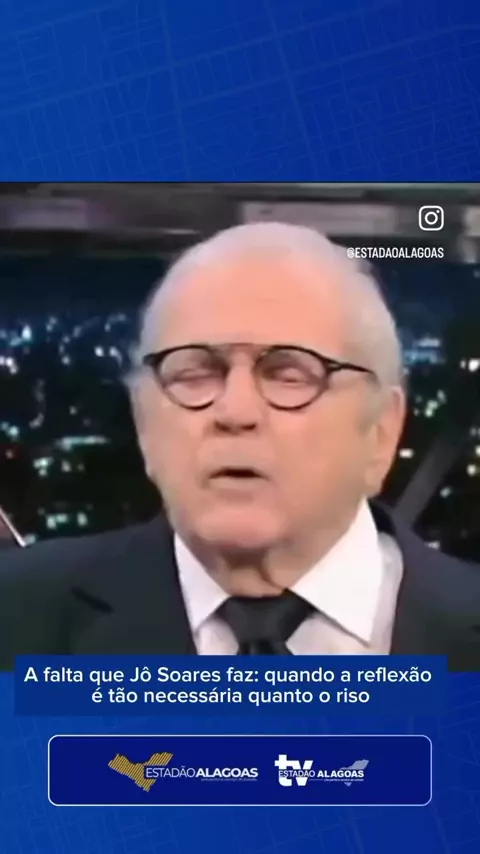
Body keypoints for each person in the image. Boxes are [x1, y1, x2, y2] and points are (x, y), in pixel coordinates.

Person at [0, 222, 479, 670]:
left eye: (289, 375)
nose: (234, 411)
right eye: (194, 373)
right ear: (144, 423)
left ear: (381, 431)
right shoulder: (17, 616)